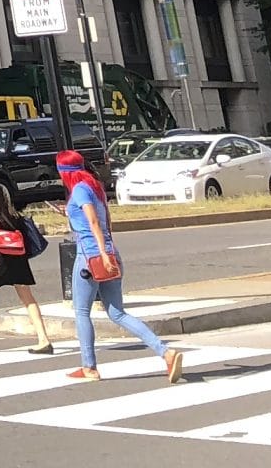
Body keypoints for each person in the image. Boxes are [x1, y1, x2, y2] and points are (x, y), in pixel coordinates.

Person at [60, 149, 180, 383]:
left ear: (64, 171)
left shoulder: (80, 190)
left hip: (90, 256)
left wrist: (102, 253)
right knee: (117, 313)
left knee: (82, 311)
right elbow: (104, 220)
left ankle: (89, 367)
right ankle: (165, 352)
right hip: (110, 252)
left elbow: (93, 221)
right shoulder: (94, 187)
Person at [0, 162, 52, 354]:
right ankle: (43, 339)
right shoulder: (1, 193)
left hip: (2, 252)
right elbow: (6, 223)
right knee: (26, 295)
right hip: (16, 249)